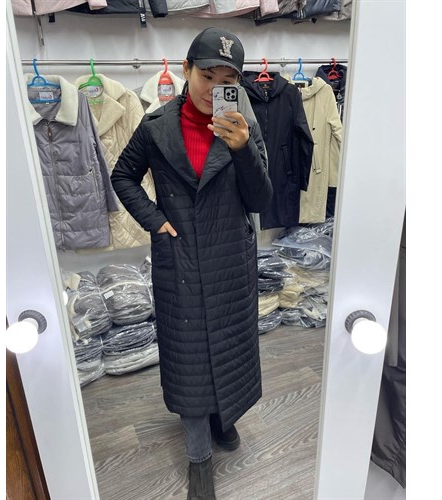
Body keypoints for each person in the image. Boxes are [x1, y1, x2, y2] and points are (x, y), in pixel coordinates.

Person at [110, 27, 273, 500]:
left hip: (230, 259)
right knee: (189, 357)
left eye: (228, 80)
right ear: (185, 69)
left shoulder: (244, 125)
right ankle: (198, 456)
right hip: (179, 258)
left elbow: (260, 199)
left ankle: (224, 419)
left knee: (230, 346)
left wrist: (243, 150)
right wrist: (155, 221)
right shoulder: (156, 125)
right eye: (206, 75)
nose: (214, 88)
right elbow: (123, 176)